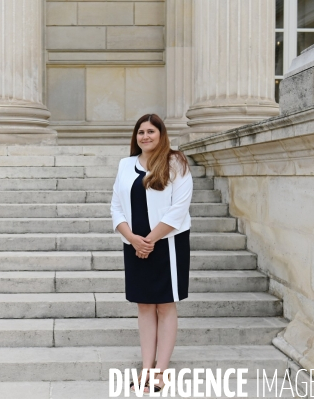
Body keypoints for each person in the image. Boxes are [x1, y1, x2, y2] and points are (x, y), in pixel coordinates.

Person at [110, 113, 193, 394]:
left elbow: (178, 209)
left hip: (167, 244)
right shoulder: (125, 165)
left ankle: (161, 372)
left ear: (161, 134)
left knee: (165, 304)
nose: (145, 136)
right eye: (140, 132)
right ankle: (146, 367)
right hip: (134, 245)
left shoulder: (175, 163)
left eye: (150, 132)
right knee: (144, 305)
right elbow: (115, 207)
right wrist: (133, 239)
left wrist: (150, 240)